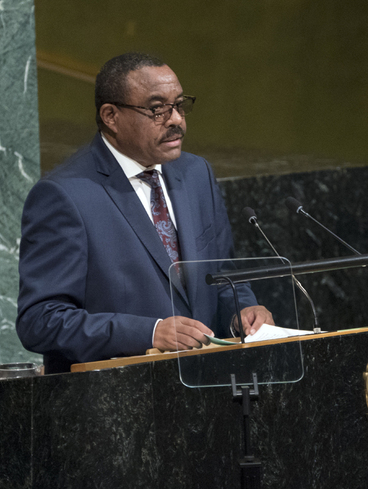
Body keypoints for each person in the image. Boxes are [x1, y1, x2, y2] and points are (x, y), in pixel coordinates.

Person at [16, 52, 273, 374]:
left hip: (210, 389)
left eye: (179, 105)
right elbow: (40, 320)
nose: (176, 119)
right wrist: (149, 333)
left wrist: (243, 310)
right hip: (119, 400)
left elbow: (221, 276)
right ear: (111, 115)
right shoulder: (65, 195)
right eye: (157, 109)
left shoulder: (195, 174)